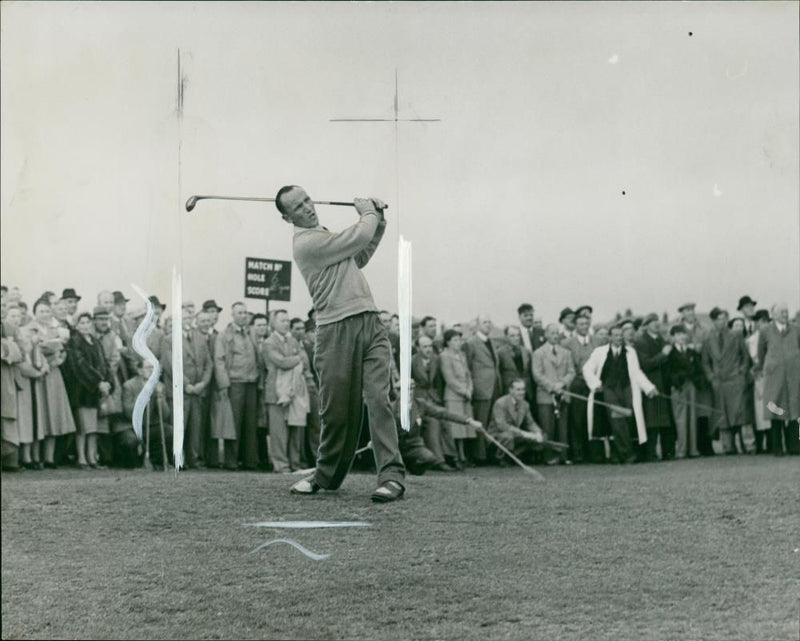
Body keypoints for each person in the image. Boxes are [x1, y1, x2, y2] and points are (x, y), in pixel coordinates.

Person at [276, 186, 405, 501]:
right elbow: (357, 238)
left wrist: (380, 222)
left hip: (370, 322)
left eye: (307, 199)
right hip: (334, 330)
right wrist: (368, 212)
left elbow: (359, 254)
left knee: (379, 399)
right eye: (297, 206)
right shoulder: (306, 244)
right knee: (337, 411)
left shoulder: (325, 236)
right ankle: (326, 475)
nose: (307, 207)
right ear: (287, 216)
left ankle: (391, 477)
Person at [583, 324, 657, 464]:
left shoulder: (630, 352)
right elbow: (587, 369)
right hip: (608, 389)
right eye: (615, 335)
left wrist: (649, 388)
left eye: (620, 335)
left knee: (628, 419)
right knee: (617, 419)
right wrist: (595, 384)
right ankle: (627, 454)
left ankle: (617, 455)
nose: (618, 338)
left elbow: (637, 373)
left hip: (627, 389)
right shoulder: (599, 352)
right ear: (610, 337)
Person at [29, 299, 76, 468]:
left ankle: (49, 457)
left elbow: (63, 352)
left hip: (54, 374)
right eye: (41, 311)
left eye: (48, 311)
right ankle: (34, 457)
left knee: (53, 414)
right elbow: (32, 350)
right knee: (39, 415)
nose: (45, 314)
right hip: (38, 375)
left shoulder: (56, 330)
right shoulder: (30, 329)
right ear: (35, 313)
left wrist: (57, 360)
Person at [214, 302, 260, 470]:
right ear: (232, 315)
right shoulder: (224, 335)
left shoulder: (251, 333)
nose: (243, 316)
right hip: (235, 383)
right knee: (233, 424)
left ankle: (250, 461)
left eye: (245, 313)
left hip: (251, 383)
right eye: (239, 313)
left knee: (250, 424)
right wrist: (224, 384)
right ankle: (231, 461)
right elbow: (219, 361)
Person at [66, 311, 114, 469]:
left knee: (94, 428)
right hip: (82, 390)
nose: (85, 326)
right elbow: (80, 366)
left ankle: (92, 458)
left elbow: (104, 363)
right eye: (82, 323)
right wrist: (98, 382)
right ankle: (81, 458)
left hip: (97, 392)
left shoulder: (95, 341)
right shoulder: (74, 342)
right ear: (76, 325)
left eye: (87, 322)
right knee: (83, 428)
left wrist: (107, 381)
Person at [263, 309, 308, 473]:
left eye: (288, 320)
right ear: (273, 322)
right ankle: (281, 464)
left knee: (295, 426)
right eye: (282, 320)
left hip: (293, 391)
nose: (286, 323)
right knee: (278, 431)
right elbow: (280, 362)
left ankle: (294, 462)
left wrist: (296, 359)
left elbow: (305, 359)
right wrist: (297, 359)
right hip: (275, 391)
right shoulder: (269, 342)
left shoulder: (292, 340)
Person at [702, 307, 751, 455]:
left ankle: (746, 445)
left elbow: (745, 357)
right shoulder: (708, 339)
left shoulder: (736, 336)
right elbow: (705, 362)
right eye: (718, 319)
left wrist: (741, 373)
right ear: (713, 321)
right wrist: (711, 378)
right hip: (719, 382)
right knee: (723, 415)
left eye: (724, 319)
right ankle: (728, 446)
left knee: (739, 414)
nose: (722, 322)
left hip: (735, 380)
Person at [489, 379, 566, 464]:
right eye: (518, 389)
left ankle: (523, 456)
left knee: (542, 435)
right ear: (510, 390)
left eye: (523, 389)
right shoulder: (500, 403)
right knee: (509, 436)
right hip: (498, 435)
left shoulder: (525, 404)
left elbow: (530, 423)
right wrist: (524, 433)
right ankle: (502, 458)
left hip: (516, 434)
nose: (522, 392)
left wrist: (538, 433)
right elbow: (502, 425)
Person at [757, 303, 800, 455]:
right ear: (773, 314)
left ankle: (794, 446)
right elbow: (761, 352)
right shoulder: (765, 331)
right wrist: (767, 367)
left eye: (786, 312)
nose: (785, 315)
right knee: (775, 409)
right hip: (774, 377)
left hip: (793, 377)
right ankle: (777, 447)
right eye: (781, 312)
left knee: (794, 410)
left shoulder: (796, 329)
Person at [634, 313, 676, 461]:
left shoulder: (662, 340)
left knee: (665, 422)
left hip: (664, 385)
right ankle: (650, 453)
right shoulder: (640, 341)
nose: (656, 324)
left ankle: (668, 452)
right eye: (653, 322)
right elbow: (646, 364)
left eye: (657, 321)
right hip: (651, 385)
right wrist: (663, 355)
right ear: (646, 326)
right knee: (652, 422)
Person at [532, 323, 575, 464]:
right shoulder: (538, 353)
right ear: (546, 335)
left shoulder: (566, 352)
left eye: (557, 333)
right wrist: (552, 387)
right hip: (545, 395)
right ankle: (548, 457)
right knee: (547, 426)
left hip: (562, 394)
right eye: (552, 333)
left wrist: (561, 384)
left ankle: (563, 456)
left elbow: (571, 372)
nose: (555, 336)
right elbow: (537, 374)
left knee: (563, 427)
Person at [411, 334, 456, 471]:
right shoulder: (412, 361)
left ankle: (451, 456)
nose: (428, 349)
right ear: (418, 348)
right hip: (418, 401)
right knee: (433, 423)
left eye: (430, 346)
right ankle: (438, 461)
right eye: (425, 346)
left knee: (446, 420)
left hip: (433, 398)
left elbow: (438, 383)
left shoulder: (436, 360)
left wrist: (438, 399)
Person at [677, 302, 714, 455]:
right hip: (685, 376)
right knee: (686, 412)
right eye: (687, 310)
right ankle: (689, 446)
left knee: (703, 410)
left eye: (692, 310)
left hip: (700, 375)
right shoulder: (677, 329)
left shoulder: (704, 329)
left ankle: (705, 445)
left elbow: (708, 349)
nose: (690, 313)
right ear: (682, 313)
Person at [463, 314, 501, 463]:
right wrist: (472, 386)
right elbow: (468, 366)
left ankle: (490, 453)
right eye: (485, 322)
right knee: (480, 421)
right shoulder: (471, 343)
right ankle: (479, 456)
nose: (488, 325)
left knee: (492, 422)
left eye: (489, 322)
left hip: (495, 387)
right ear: (477, 325)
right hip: (481, 388)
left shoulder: (491, 342)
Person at [122, 360, 173, 469]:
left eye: (153, 368)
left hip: (151, 425)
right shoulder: (129, 385)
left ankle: (155, 462)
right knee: (129, 440)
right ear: (139, 371)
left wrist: (160, 398)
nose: (151, 371)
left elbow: (165, 415)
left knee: (169, 432)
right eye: (148, 368)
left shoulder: (159, 386)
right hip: (133, 426)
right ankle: (135, 464)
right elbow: (128, 412)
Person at [563, 314, 598, 463]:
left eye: (586, 324)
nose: (584, 327)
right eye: (581, 324)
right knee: (577, 419)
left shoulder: (597, 342)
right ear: (575, 326)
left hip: (594, 383)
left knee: (593, 418)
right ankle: (578, 454)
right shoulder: (567, 343)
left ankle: (594, 454)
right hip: (576, 383)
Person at [439, 328, 474, 469]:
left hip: (466, 395)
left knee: (465, 427)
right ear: (448, 342)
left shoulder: (462, 355)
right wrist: (464, 391)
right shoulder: (445, 356)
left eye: (460, 340)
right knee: (455, 428)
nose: (458, 343)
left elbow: (468, 375)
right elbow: (450, 379)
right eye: (455, 340)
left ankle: (464, 455)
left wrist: (470, 389)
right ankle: (455, 456)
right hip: (453, 396)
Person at [666, 325, 702, 459]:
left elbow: (698, 369)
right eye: (678, 334)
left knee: (692, 416)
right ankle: (681, 449)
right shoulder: (670, 352)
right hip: (678, 386)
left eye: (683, 334)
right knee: (680, 418)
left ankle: (693, 449)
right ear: (673, 337)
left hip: (691, 385)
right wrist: (675, 382)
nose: (681, 337)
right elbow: (668, 371)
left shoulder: (691, 352)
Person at [290, 316, 319, 468]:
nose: (301, 332)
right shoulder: (297, 346)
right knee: (301, 426)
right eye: (298, 329)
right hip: (300, 388)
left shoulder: (311, 347)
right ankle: (304, 459)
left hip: (313, 388)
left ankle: (315, 459)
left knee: (315, 425)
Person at [747, 309, 772, 452]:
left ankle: (772, 442)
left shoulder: (773, 336)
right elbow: (753, 358)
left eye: (764, 321)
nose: (761, 324)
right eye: (758, 322)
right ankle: (760, 444)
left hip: (772, 375)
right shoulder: (751, 340)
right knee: (759, 410)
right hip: (759, 376)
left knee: (772, 408)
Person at [496, 325, 535, 410]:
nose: (516, 338)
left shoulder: (526, 351)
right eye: (512, 336)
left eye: (518, 335)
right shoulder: (500, 353)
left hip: (527, 391)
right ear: (506, 337)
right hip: (510, 392)